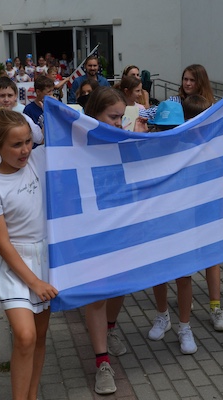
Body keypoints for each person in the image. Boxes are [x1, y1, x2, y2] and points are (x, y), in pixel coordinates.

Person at [0, 107, 57, 400]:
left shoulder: (38, 160)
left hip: (43, 260)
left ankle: (31, 395)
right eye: (16, 144)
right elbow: (3, 244)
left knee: (39, 336)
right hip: (13, 266)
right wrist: (34, 282)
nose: (24, 150)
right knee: (25, 336)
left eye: (27, 142)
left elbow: (75, 142)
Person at [147, 64, 223, 332]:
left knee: (210, 254)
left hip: (204, 201)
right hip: (176, 210)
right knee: (176, 264)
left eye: (192, 79)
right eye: (185, 78)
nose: (187, 83)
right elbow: (149, 117)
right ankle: (176, 309)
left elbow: (218, 162)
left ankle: (215, 306)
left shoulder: (212, 108)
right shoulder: (173, 105)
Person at [81, 87, 130, 395]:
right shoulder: (76, 144)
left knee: (120, 285)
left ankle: (110, 327)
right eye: (113, 117)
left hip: (120, 225)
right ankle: (102, 362)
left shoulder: (125, 141)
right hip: (91, 228)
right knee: (97, 294)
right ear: (94, 115)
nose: (119, 123)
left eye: (121, 117)